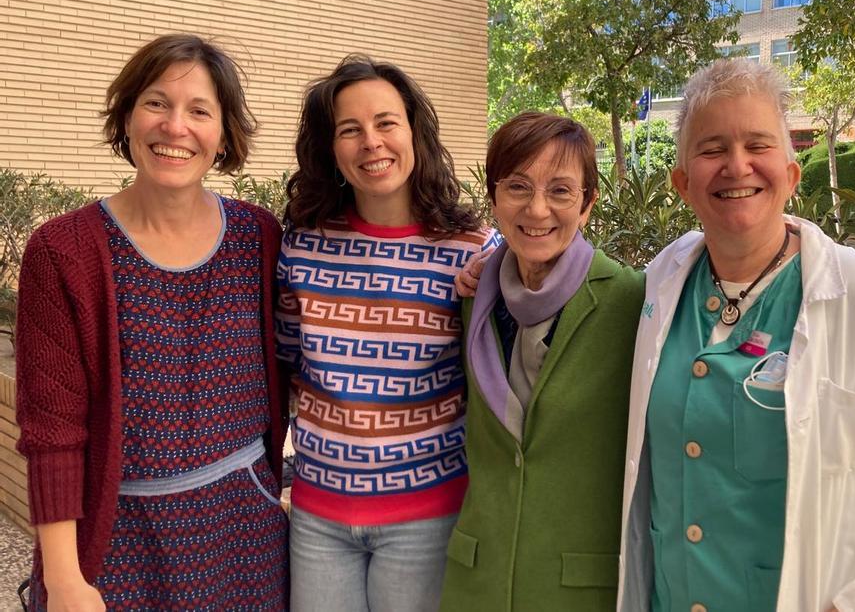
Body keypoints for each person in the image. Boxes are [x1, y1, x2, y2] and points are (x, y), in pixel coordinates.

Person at [616, 59, 855, 612]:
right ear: (682, 184)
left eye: (757, 145)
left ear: (790, 175)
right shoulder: (660, 283)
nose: (737, 165)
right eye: (712, 149)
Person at [16, 34, 289, 611]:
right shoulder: (64, 251)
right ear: (128, 117)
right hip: (119, 544)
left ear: (224, 135)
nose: (175, 127)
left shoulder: (259, 237)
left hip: (246, 535)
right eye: (157, 103)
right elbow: (52, 431)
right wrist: (64, 579)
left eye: (200, 111)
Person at [277, 56, 497, 612]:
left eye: (385, 123)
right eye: (349, 129)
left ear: (413, 132)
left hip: (428, 516)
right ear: (330, 148)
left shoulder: (472, 250)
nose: (371, 142)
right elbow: (286, 365)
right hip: (318, 517)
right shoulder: (301, 244)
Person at [438, 112, 643, 612]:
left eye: (560, 191)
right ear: (493, 197)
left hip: (578, 587)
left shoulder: (631, 301)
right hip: (478, 581)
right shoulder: (473, 297)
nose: (536, 209)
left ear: (588, 204)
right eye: (517, 186)